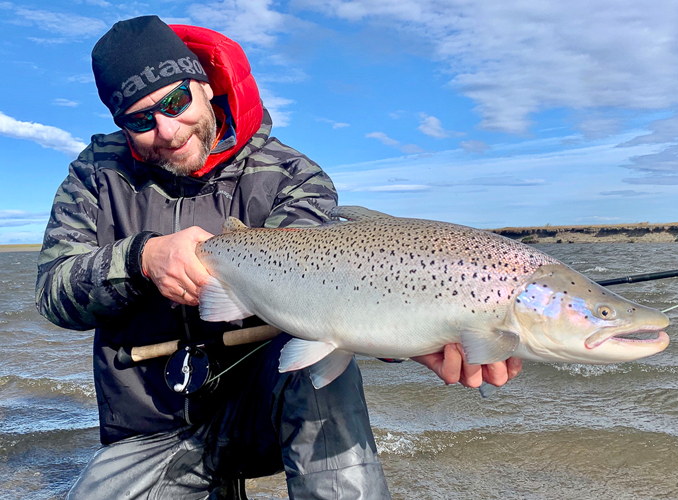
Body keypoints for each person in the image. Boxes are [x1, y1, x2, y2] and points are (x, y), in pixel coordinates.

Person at [35, 15, 522, 500]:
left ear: (203, 84)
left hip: (269, 410)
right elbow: (53, 294)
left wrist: (411, 336)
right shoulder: (95, 175)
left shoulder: (292, 175)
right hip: (150, 430)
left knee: (323, 375)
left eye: (175, 101)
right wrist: (142, 258)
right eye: (140, 120)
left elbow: (331, 284)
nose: (166, 129)